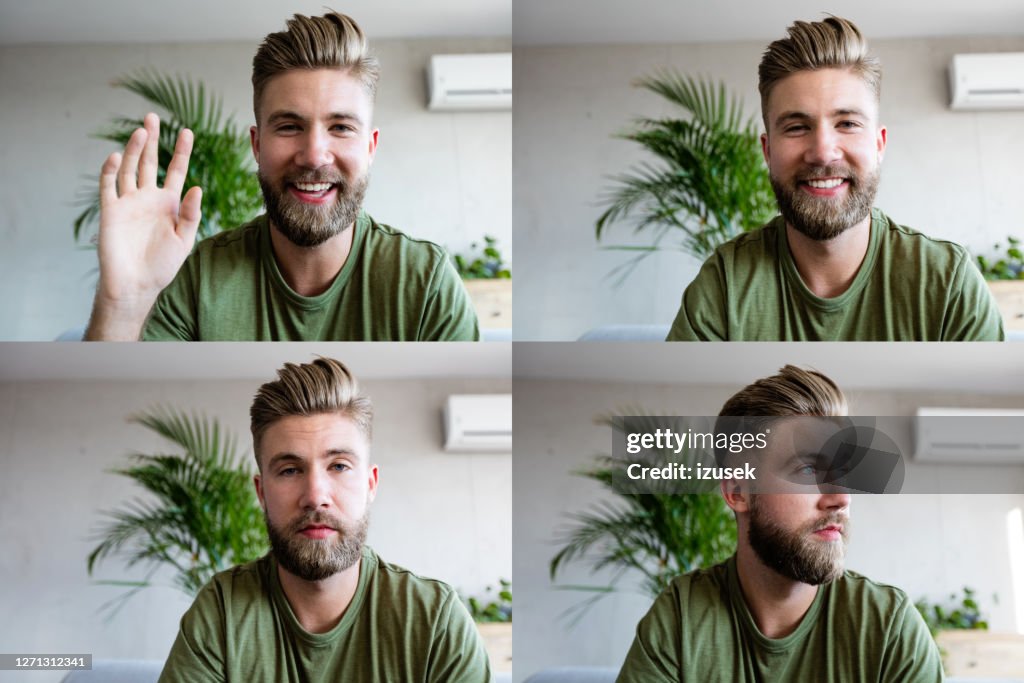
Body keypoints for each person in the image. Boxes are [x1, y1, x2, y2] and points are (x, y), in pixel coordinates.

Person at [85, 12, 479, 341]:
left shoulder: (425, 284)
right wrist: (122, 304)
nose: (313, 155)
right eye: (290, 126)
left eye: (341, 127)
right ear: (257, 145)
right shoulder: (199, 278)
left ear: (370, 147)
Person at [667, 16, 1003, 341]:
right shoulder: (726, 283)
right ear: (768, 151)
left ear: (878, 143)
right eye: (797, 127)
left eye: (847, 123)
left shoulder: (948, 284)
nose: (823, 152)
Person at [158, 357, 491, 681]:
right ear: (261, 492)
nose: (315, 495)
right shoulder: (222, 611)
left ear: (370, 484)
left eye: (339, 466)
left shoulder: (435, 620)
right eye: (289, 470)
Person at [616, 365, 943, 682]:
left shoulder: (888, 628)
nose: (842, 497)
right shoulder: (681, 619)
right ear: (738, 491)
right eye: (808, 471)